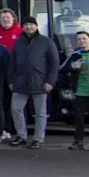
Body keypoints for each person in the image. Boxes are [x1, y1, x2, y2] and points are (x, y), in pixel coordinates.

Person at [9, 16, 59, 149]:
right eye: (26, 25)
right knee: (16, 108)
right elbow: (12, 63)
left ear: (36, 26)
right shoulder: (18, 42)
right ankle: (21, 135)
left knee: (40, 113)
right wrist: (11, 80)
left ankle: (38, 138)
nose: (28, 27)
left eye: (31, 24)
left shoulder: (46, 42)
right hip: (20, 81)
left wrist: (50, 81)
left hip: (40, 82)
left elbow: (54, 64)